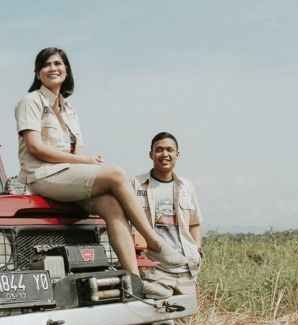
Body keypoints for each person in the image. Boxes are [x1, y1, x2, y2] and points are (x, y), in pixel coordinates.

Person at [14, 47, 186, 276]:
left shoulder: (70, 110)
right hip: (42, 176)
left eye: (58, 63)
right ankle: (154, 241)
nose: (52, 68)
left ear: (67, 70)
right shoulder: (31, 101)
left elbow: (76, 152)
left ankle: (134, 279)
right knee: (116, 174)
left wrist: (84, 163)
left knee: (112, 205)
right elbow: (35, 147)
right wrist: (83, 160)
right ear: (37, 74)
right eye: (46, 65)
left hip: (67, 176)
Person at [132, 131, 203, 325]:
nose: (165, 154)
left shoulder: (186, 187)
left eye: (169, 150)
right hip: (154, 266)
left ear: (177, 155)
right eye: (159, 149)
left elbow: (194, 223)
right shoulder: (136, 185)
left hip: (184, 266)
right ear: (151, 154)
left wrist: (197, 250)